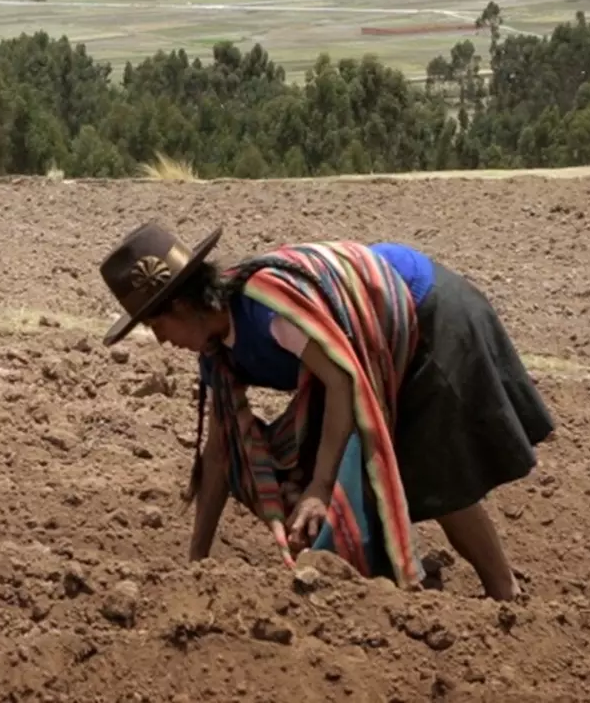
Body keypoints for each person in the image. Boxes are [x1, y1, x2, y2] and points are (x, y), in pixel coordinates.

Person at [97, 222, 555, 601]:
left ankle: (505, 593)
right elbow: (220, 453)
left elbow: (343, 380)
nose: (160, 340)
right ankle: (363, 574)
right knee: (305, 460)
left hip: (423, 311)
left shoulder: (268, 313)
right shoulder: (218, 352)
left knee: (434, 466)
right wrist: (196, 560)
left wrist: (320, 487)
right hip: (367, 343)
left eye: (157, 324)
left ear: (182, 305)